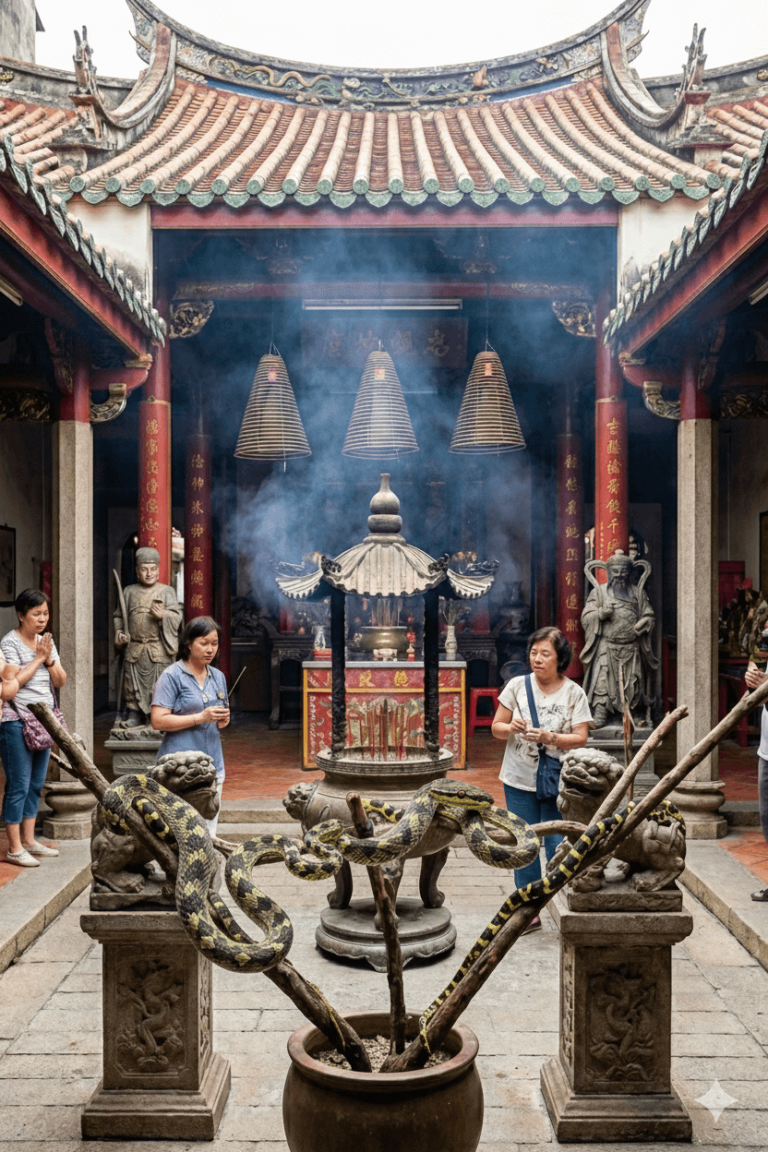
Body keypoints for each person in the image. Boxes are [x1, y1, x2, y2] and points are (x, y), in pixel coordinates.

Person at [492, 626, 591, 932]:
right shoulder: (517, 686)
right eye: (533, 652)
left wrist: (552, 737)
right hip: (518, 777)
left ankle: (563, 901)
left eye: (545, 653)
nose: (537, 658)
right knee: (524, 843)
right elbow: (496, 726)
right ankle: (528, 910)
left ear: (560, 658)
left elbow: (581, 737)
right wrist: (511, 728)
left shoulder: (574, 692)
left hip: (556, 780)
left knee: (557, 843)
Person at [0, 589, 67, 867]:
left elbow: (61, 681)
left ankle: (29, 841)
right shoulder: (9, 643)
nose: (42, 619)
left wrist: (48, 659)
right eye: (36, 614)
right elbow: (9, 689)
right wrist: (38, 659)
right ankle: (14, 847)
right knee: (18, 784)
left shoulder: (46, 643)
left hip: (44, 720)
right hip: (15, 719)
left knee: (36, 784)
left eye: (45, 614)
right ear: (21, 615)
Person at [150, 616, 230, 836]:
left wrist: (223, 720)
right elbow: (158, 720)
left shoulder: (218, 677)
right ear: (188, 643)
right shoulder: (172, 676)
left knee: (209, 832)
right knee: (179, 832)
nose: (210, 649)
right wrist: (199, 717)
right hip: (178, 769)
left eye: (214, 643)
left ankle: (207, 870)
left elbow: (219, 722)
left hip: (212, 764)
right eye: (204, 643)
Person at [581, 549, 658, 728]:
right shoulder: (598, 593)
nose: (619, 575)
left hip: (632, 647)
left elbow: (649, 615)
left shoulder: (638, 593)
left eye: (624, 571)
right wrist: (600, 613)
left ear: (630, 572)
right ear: (608, 572)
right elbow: (586, 617)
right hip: (606, 647)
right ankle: (601, 713)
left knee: (634, 682)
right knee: (602, 681)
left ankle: (635, 712)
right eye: (615, 571)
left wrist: (645, 622)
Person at [114, 546, 183, 728]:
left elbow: (177, 617)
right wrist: (119, 634)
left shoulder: (167, 591)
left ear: (159, 570)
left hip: (158, 647)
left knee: (159, 685)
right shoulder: (129, 591)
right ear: (137, 571)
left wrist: (164, 616)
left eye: (153, 569)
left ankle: (159, 716)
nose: (149, 573)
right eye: (144, 569)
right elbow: (119, 616)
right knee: (132, 684)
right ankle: (135, 714)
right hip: (135, 648)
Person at [744, 649, 768, 902]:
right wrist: (753, 682)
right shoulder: (764, 645)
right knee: (767, 819)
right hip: (766, 752)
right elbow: (756, 698)